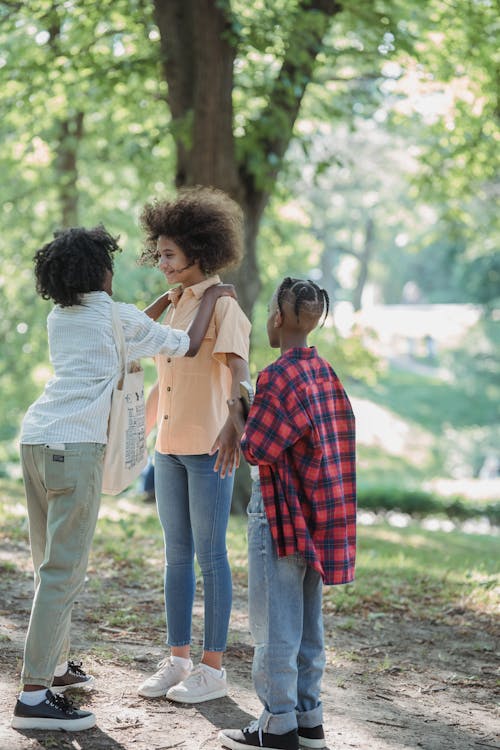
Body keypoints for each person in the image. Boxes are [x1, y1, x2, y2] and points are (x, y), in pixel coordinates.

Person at [11, 225, 233, 732]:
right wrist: (213, 295)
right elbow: (188, 343)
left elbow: (124, 333)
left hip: (37, 440)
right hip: (76, 448)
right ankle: (33, 698)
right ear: (100, 272)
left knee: (50, 560)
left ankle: (56, 666)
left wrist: (160, 300)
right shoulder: (117, 316)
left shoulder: (60, 315)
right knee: (63, 573)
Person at [219, 277, 356, 750]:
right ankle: (308, 718)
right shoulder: (324, 372)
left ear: (278, 317)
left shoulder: (276, 377)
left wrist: (238, 411)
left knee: (275, 623)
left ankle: (277, 724)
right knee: (308, 621)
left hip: (278, 515)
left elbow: (258, 448)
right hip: (318, 515)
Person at [136, 186, 251, 704]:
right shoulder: (179, 305)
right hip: (169, 446)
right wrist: (137, 431)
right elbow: (156, 357)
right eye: (157, 253)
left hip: (210, 448)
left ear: (198, 254)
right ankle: (178, 660)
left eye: (169, 255)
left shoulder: (224, 306)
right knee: (175, 556)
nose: (160, 262)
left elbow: (240, 373)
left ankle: (213, 668)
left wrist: (236, 421)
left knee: (211, 555)